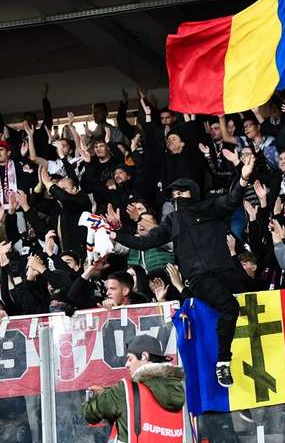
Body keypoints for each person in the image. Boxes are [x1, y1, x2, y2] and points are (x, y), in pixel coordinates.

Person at [111, 154, 255, 387]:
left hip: (225, 272)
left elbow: (231, 200)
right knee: (229, 307)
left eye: (181, 192)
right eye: (173, 194)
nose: (176, 196)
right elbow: (146, 242)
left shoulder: (210, 207)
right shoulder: (173, 220)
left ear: (193, 193)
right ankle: (222, 364)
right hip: (199, 278)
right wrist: (118, 235)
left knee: (247, 299)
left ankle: (237, 360)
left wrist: (244, 178)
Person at [81, 334, 184, 443]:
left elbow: (90, 414)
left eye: (130, 359)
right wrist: (108, 394)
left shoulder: (126, 390)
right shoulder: (175, 389)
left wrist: (95, 398)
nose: (126, 364)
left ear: (144, 356)